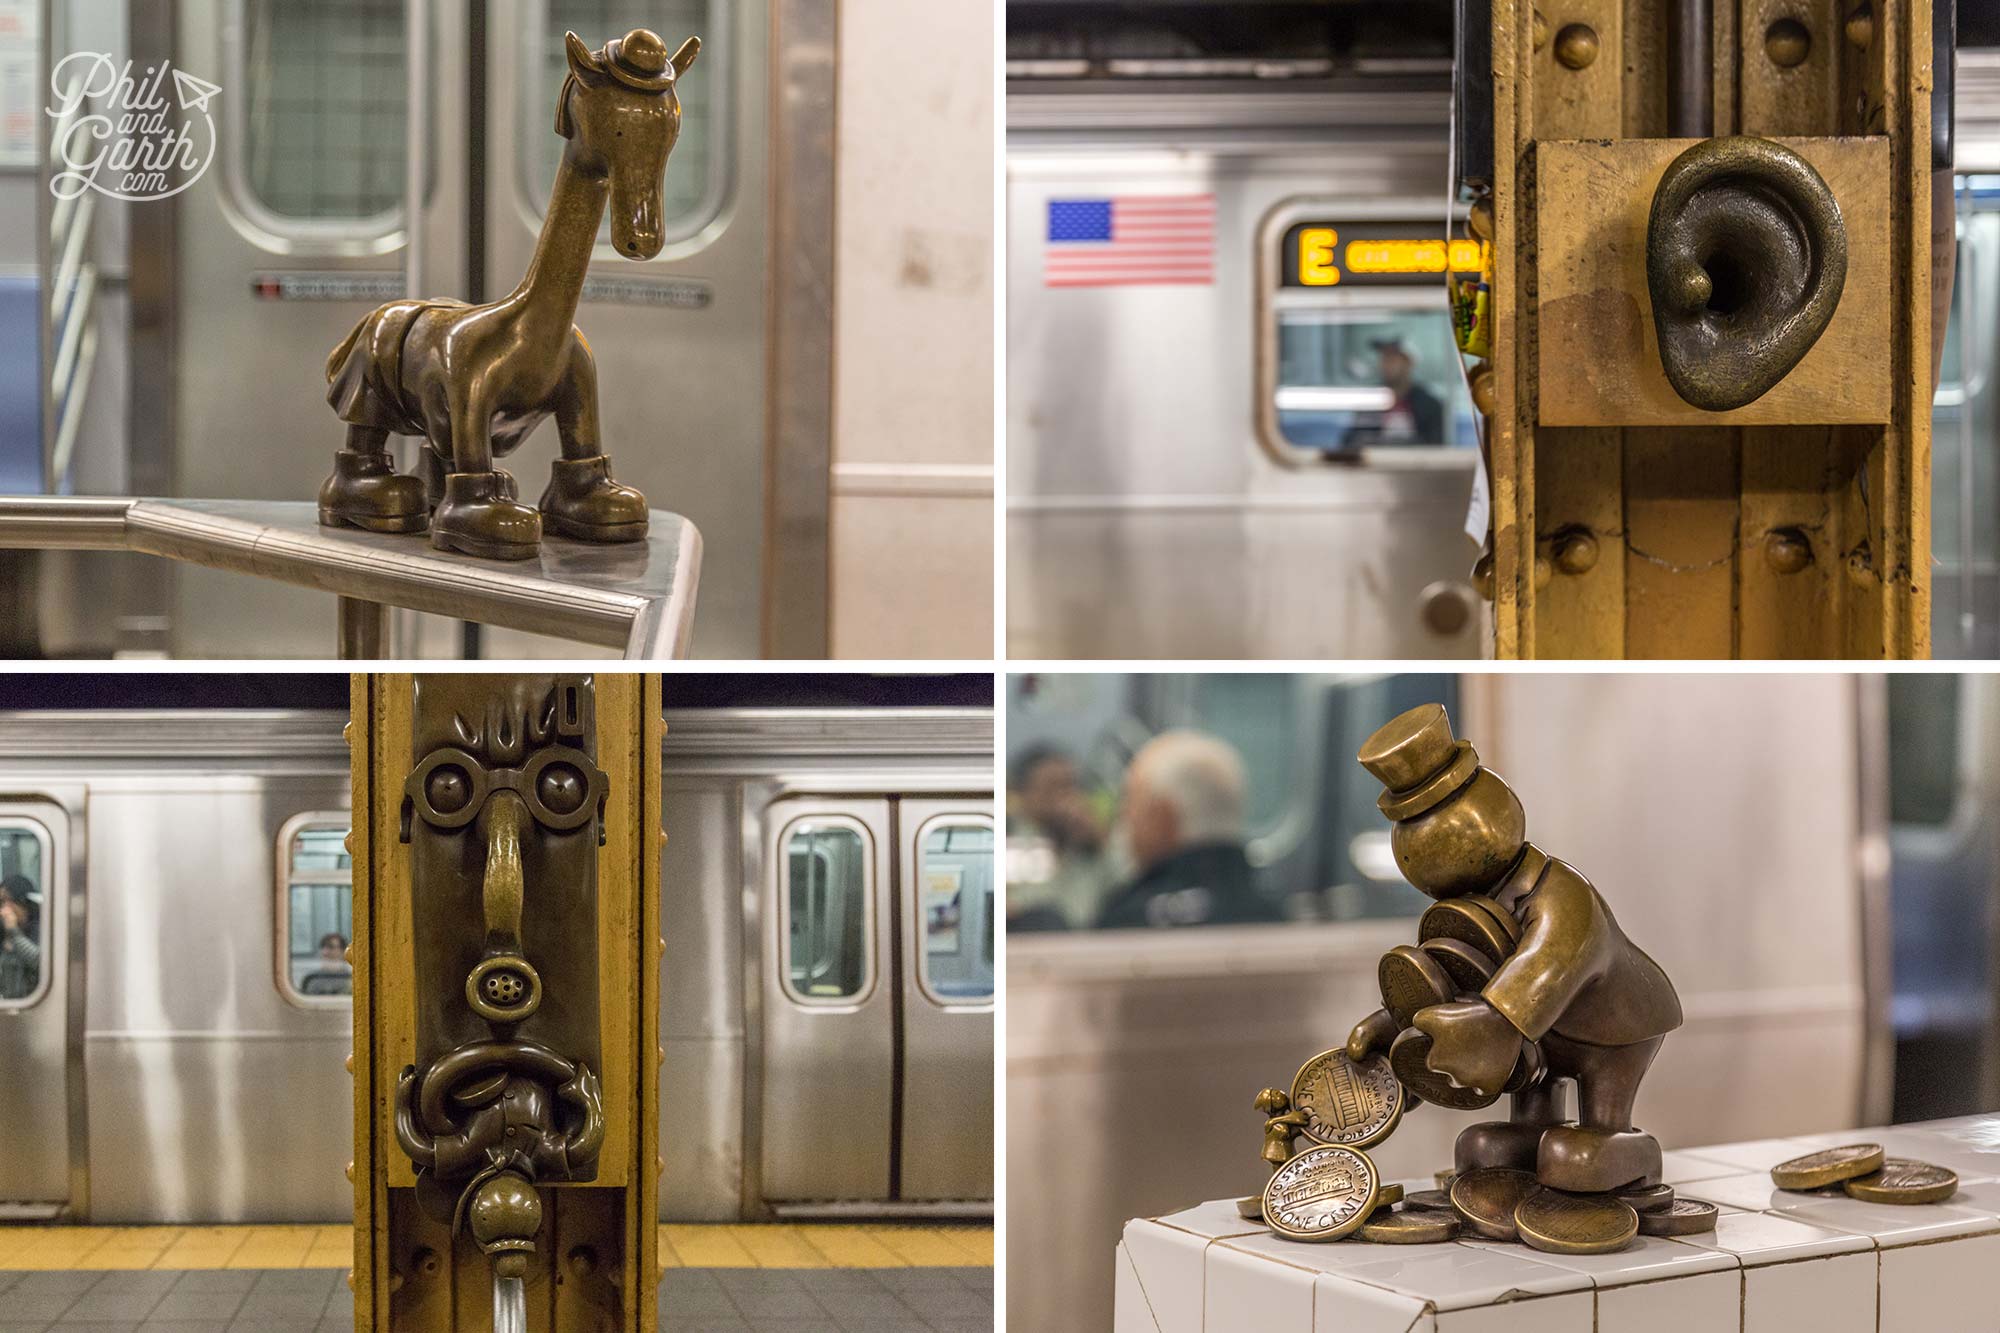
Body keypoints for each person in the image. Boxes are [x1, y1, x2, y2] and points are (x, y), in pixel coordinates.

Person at [1095, 731, 1284, 929]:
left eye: (1131, 806)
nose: (1124, 822)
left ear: (1162, 818)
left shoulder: (1125, 922)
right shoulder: (1274, 916)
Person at [1006, 744, 1113, 931]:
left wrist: (1101, 842)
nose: (1065, 797)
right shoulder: (1007, 843)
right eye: (1052, 787)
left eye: (1070, 786)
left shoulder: (1092, 844)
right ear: (1023, 795)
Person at [1340, 337, 1445, 448]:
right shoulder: (1370, 402)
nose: (1386, 364)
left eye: (1392, 358)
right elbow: (1351, 442)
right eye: (1384, 358)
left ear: (1409, 362)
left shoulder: (1429, 405)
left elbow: (1436, 447)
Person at [0, 875, 41, 1000]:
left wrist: (14, 932)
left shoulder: (41, 929)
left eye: (8, 901)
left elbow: (40, 962)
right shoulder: (3, 932)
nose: (3, 910)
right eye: (1, 903)